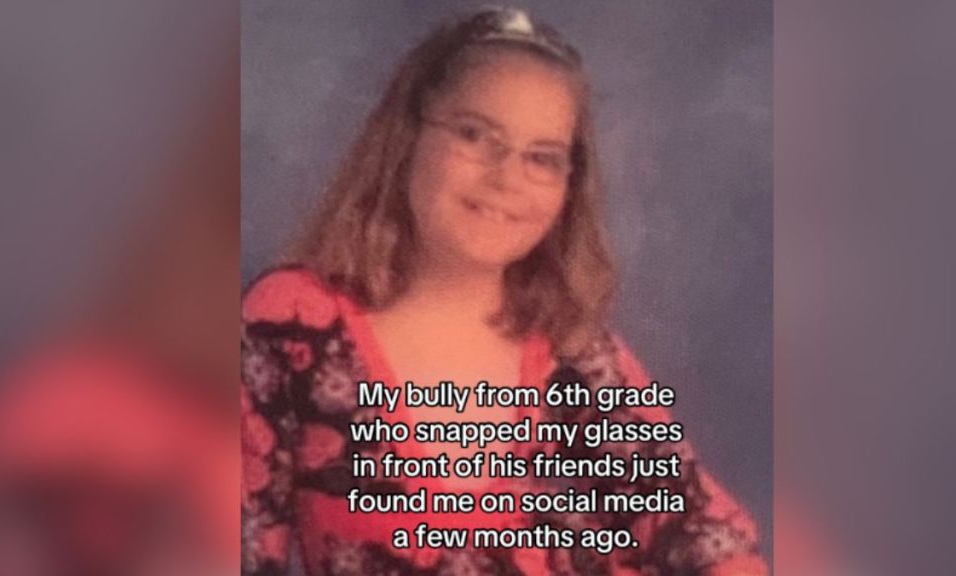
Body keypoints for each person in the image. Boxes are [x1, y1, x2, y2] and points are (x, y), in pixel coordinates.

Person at [242, 8, 766, 576]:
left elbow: (700, 528)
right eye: (475, 135)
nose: (506, 178)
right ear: (407, 137)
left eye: (541, 159)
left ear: (568, 186)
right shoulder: (293, 324)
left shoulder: (578, 354)